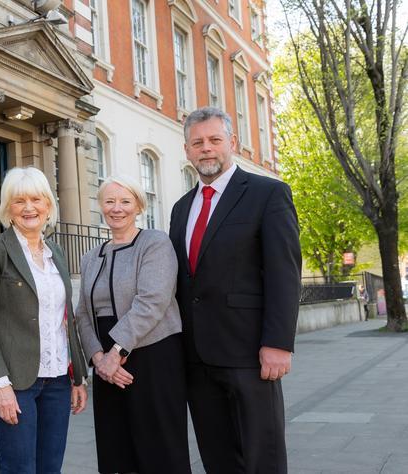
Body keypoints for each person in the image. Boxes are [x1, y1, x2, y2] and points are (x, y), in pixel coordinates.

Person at [169, 107, 301, 473]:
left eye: (214, 140)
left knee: (263, 456)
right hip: (197, 357)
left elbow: (284, 273)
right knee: (218, 457)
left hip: (250, 353)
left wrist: (278, 343)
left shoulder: (268, 193)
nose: (206, 149)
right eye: (198, 143)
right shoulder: (181, 208)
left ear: (233, 143)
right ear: (187, 150)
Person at [0, 166, 88, 474]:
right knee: (20, 469)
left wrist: (77, 377)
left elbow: (66, 320)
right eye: (19, 200)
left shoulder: (57, 253)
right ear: (8, 208)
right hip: (14, 383)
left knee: (50, 469)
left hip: (58, 380)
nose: (29, 208)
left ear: (48, 205)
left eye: (36, 199)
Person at [75, 176, 190, 474]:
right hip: (105, 365)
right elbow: (83, 314)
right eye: (110, 201)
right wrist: (99, 359)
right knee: (117, 450)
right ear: (101, 206)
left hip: (153, 356)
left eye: (125, 201)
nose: (117, 208)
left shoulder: (155, 243)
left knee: (160, 450)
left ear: (139, 206)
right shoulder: (90, 257)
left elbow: (153, 301)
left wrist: (116, 353)